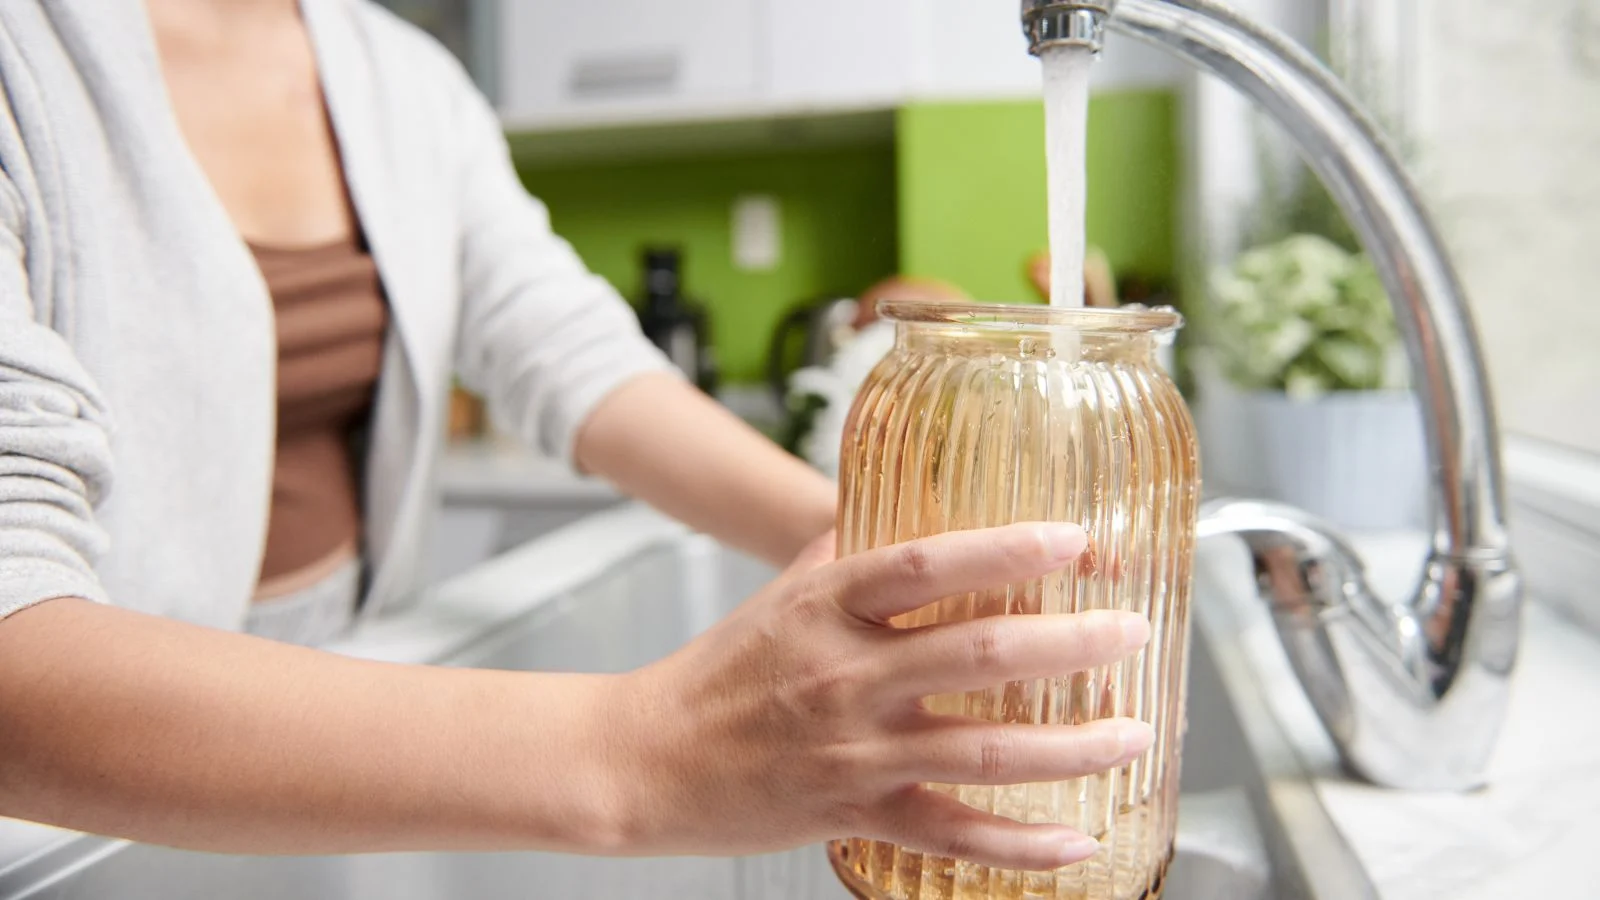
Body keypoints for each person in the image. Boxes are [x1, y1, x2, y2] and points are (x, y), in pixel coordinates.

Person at [0, 0, 1153, 872]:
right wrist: (636, 754)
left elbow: (574, 361)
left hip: (332, 725)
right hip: (67, 802)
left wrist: (871, 550)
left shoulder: (400, 80)